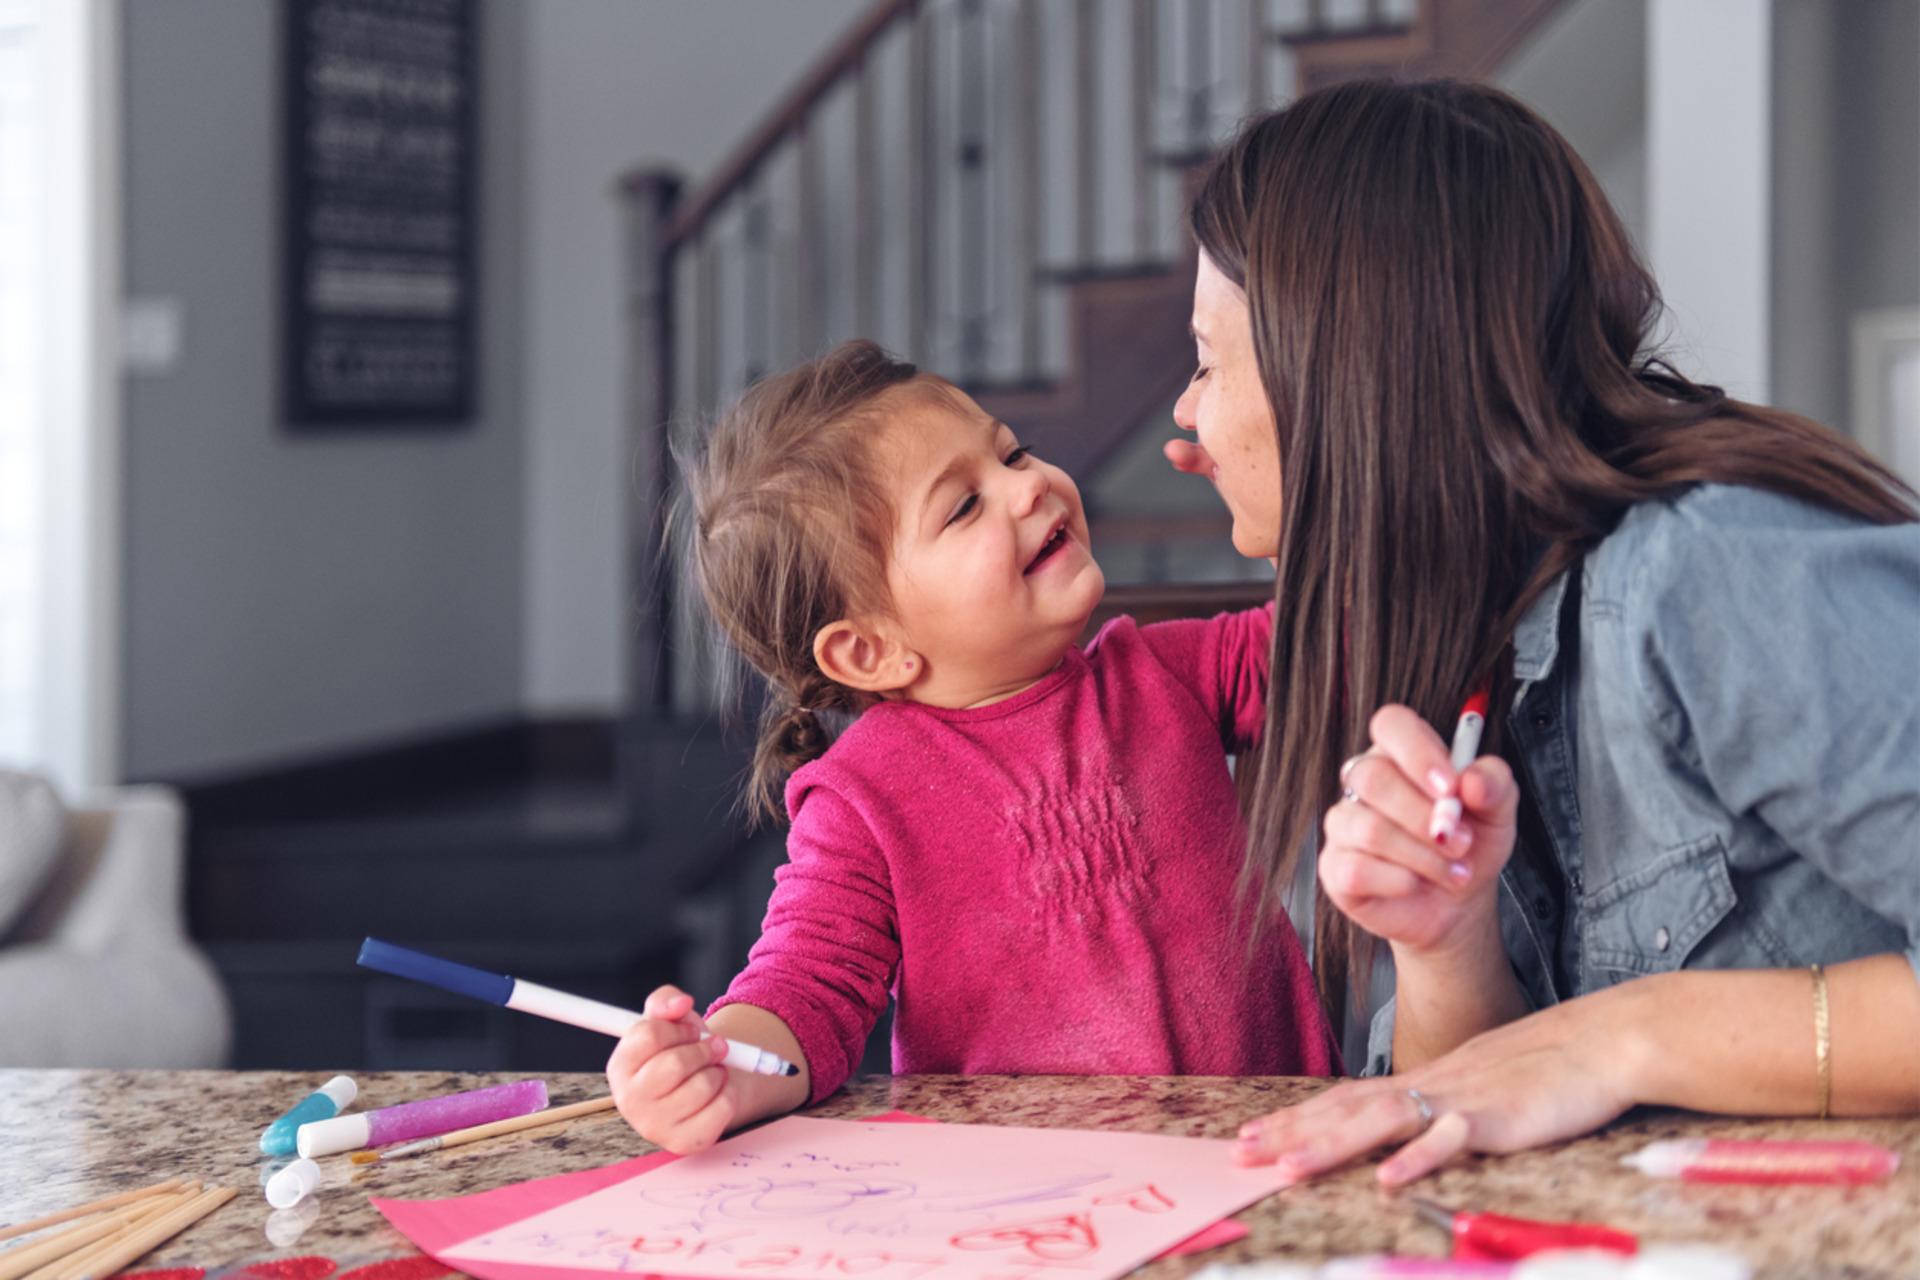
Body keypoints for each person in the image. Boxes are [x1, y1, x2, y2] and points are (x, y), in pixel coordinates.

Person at [1160, 78, 1920, 1184]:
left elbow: (1579, 1058)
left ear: (1343, 366)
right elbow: (1469, 1099)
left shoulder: (1709, 568)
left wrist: (1625, 1034)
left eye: (1205, 359)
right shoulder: (1443, 632)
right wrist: (1447, 942)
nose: (1186, 412)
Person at [607, 340, 1338, 1154]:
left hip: (1273, 1155)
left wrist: (1290, 493)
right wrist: (721, 1067)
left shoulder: (1165, 672)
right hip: (1032, 1192)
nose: (1028, 485)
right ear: (870, 651)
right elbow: (804, 987)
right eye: (963, 507)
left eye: (1013, 452)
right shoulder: (863, 797)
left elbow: (1346, 640)